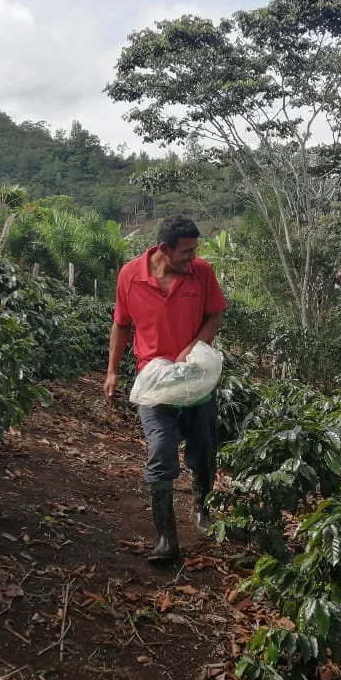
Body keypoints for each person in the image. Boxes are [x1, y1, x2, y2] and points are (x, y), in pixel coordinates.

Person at [105, 215, 226, 563]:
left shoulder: (201, 272)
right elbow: (121, 324)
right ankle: (166, 538)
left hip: (193, 378)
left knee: (203, 452)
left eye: (195, 250)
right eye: (186, 251)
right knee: (160, 451)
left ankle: (202, 509)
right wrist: (112, 371)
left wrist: (192, 348)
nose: (193, 257)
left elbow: (215, 317)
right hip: (154, 381)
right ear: (163, 249)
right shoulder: (130, 275)